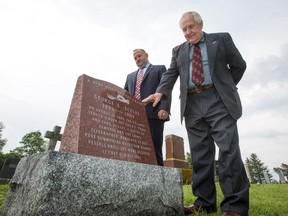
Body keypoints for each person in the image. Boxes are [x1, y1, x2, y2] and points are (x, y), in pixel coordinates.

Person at [142, 11, 249, 216]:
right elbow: (170, 74)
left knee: (228, 150)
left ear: (200, 25)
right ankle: (204, 203)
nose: (188, 32)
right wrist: (160, 91)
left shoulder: (221, 39)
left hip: (218, 101)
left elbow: (239, 66)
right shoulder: (178, 50)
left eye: (191, 27)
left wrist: (225, 87)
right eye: (184, 29)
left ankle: (234, 206)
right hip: (191, 104)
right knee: (200, 155)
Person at [124, 49, 171, 166]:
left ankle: (160, 181)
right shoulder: (130, 77)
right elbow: (124, 95)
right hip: (134, 117)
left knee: (154, 149)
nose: (137, 59)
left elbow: (166, 88)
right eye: (135, 58)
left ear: (146, 55)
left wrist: (164, 107)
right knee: (135, 150)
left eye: (139, 56)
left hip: (153, 113)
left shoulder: (159, 69)